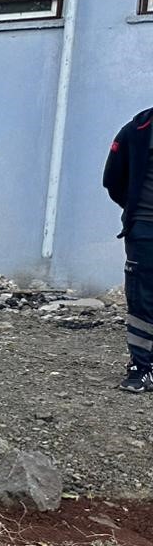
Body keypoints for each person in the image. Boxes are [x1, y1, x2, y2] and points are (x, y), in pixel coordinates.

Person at [103, 105, 153, 393]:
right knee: (142, 299)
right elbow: (113, 180)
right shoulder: (135, 131)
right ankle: (140, 368)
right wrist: (136, 210)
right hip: (145, 229)